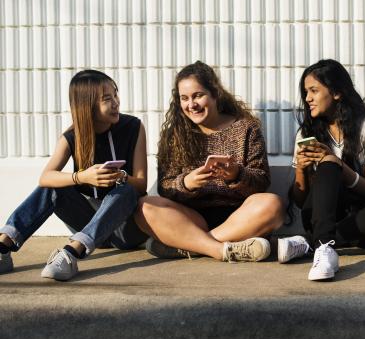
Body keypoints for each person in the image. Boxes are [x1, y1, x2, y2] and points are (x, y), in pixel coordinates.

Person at [0, 70, 148, 281]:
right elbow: (45, 178)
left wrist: (120, 176)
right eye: (108, 99)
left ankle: (72, 252)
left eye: (115, 95)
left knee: (127, 189)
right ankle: (3, 246)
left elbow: (141, 185)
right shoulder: (72, 137)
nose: (116, 102)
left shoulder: (133, 127)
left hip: (126, 228)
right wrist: (82, 177)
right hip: (90, 224)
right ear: (87, 105)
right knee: (53, 187)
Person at [136, 61, 284, 262]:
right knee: (143, 206)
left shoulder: (246, 128)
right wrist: (186, 183)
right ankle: (221, 250)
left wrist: (236, 175)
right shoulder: (175, 135)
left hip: (240, 216)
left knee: (273, 204)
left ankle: (189, 246)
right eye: (184, 98)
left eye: (198, 95)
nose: (191, 104)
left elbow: (262, 181)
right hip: (191, 217)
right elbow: (164, 186)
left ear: (215, 93)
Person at [280, 59, 365, 281]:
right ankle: (324, 247)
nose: (307, 98)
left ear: (336, 92)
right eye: (305, 92)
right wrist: (300, 168)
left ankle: (311, 243)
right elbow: (301, 201)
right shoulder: (307, 133)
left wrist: (340, 166)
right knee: (328, 165)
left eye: (314, 91)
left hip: (360, 220)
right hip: (321, 215)